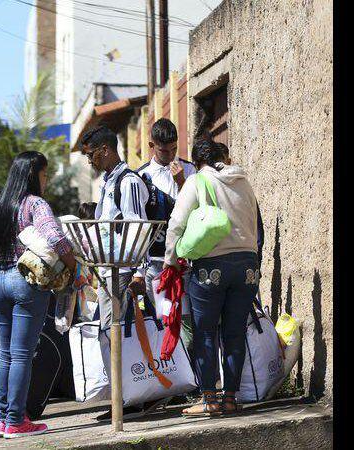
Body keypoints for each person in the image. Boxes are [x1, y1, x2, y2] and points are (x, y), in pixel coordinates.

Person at [0, 152, 76, 439]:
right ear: (34, 175)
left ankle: (3, 418)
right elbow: (56, 238)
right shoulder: (34, 204)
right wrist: (73, 265)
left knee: (5, 352)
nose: (46, 180)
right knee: (22, 355)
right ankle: (17, 420)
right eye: (45, 174)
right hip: (26, 281)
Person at [164, 140, 260, 417]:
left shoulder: (197, 181)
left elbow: (176, 223)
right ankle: (230, 398)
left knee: (205, 332)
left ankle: (208, 400)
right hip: (247, 265)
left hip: (211, 267)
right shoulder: (243, 181)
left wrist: (171, 259)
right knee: (235, 332)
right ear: (224, 157)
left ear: (196, 162)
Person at [79, 125, 149, 330]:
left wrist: (139, 274)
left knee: (112, 333)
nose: (89, 160)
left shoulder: (128, 182)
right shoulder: (108, 182)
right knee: (108, 334)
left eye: (91, 154)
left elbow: (138, 227)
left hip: (122, 272)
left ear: (105, 150)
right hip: (107, 270)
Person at [137, 118, 197, 353]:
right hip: (156, 262)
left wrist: (181, 182)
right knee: (165, 317)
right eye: (164, 150)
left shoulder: (189, 170)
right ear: (152, 145)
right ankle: (172, 374)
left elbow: (197, 210)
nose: (170, 155)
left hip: (185, 261)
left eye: (174, 149)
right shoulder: (141, 177)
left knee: (187, 320)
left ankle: (190, 375)